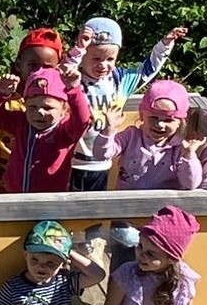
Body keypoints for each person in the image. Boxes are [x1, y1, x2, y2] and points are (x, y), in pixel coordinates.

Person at [63, 19, 188, 192]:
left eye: (110, 59)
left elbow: (148, 69)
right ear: (84, 57)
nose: (103, 65)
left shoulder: (119, 80)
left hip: (105, 162)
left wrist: (165, 44)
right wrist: (79, 48)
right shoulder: (75, 80)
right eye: (96, 58)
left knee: (96, 213)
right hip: (72, 160)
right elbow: (63, 72)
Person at [0, 65, 93, 194]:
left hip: (49, 199)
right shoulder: (21, 123)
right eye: (32, 107)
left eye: (48, 107)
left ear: (64, 110)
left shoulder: (65, 131)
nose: (39, 112)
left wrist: (74, 90)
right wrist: (1, 94)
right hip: (14, 193)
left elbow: (82, 121)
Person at [0, 27, 67, 194]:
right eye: (32, 65)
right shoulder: (9, 99)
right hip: (2, 176)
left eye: (47, 67)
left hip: (41, 180)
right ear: (19, 65)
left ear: (57, 68)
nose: (39, 72)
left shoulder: (58, 102)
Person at [84, 78, 202, 192]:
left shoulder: (180, 148)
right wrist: (108, 130)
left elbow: (190, 184)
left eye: (168, 120)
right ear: (141, 114)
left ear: (180, 122)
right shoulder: (131, 136)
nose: (160, 124)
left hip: (164, 208)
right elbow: (101, 155)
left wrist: (190, 156)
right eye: (153, 117)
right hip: (127, 205)